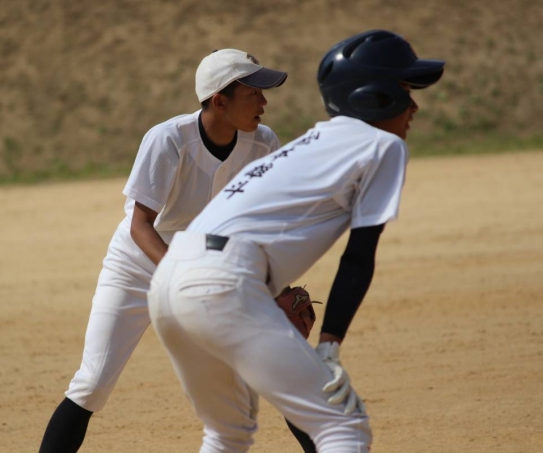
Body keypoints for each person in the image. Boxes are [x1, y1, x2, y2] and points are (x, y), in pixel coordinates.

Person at [147, 29, 445, 452]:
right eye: (405, 90)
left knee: (227, 433)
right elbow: (359, 255)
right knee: (344, 425)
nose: (413, 106)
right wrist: (329, 346)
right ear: (376, 96)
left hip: (167, 284)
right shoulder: (382, 146)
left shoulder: (311, 141)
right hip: (222, 284)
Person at [39, 48, 317, 452]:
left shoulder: (263, 143)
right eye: (253, 93)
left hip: (213, 269)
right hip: (138, 266)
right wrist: (183, 275)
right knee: (92, 384)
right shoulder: (168, 139)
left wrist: (276, 286)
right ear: (219, 101)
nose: (264, 102)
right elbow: (140, 225)